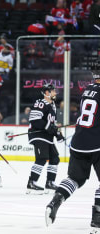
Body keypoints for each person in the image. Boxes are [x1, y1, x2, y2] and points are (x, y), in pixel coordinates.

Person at [45, 69, 100, 232]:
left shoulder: (87, 90)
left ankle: (55, 202)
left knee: (75, 178)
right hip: (97, 143)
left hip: (79, 142)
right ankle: (97, 219)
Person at [26, 84, 63, 194]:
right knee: (42, 158)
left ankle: (50, 183)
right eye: (53, 91)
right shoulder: (41, 102)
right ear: (47, 92)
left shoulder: (53, 105)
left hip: (47, 136)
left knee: (55, 158)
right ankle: (31, 183)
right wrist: (50, 128)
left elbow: (52, 124)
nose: (55, 93)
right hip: (38, 134)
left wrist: (57, 133)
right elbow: (34, 119)